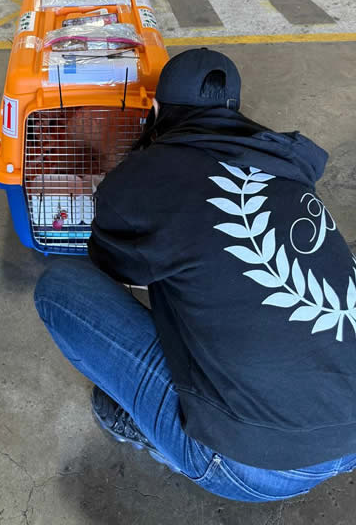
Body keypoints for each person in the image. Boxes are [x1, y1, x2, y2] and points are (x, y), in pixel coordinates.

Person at [35, 48, 356, 502]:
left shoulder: (144, 176)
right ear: (234, 110)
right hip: (351, 434)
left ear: (157, 110)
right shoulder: (286, 171)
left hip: (256, 466)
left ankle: (161, 434)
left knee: (60, 286)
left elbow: (113, 265)